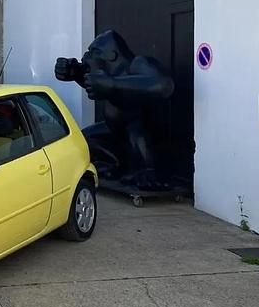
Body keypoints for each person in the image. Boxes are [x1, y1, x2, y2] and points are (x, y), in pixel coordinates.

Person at [55, 30, 174, 189]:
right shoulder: (108, 74)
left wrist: (112, 85)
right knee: (83, 139)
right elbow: (99, 85)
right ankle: (116, 166)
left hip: (143, 132)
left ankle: (148, 170)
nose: (86, 57)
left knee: (136, 132)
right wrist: (75, 73)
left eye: (93, 52)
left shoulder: (138, 64)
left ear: (112, 55)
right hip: (115, 129)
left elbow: (163, 85)